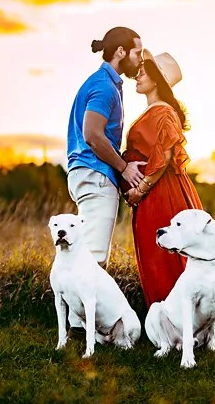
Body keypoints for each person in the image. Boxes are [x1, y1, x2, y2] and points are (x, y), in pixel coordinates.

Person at [121, 50, 215, 340]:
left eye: (143, 72)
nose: (137, 76)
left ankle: (193, 327)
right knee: (158, 257)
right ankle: (172, 326)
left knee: (170, 256)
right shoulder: (156, 110)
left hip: (161, 193)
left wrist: (140, 190)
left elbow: (164, 154)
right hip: (154, 192)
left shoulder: (164, 111)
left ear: (157, 80)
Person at [66, 27, 146, 268]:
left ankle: (74, 306)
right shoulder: (104, 86)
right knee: (94, 260)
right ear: (121, 52)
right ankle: (79, 306)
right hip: (96, 175)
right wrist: (124, 168)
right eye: (137, 53)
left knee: (84, 257)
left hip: (87, 173)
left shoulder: (105, 82)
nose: (140, 60)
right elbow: (92, 135)